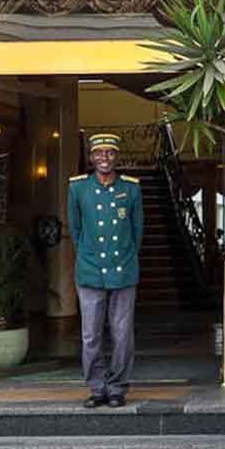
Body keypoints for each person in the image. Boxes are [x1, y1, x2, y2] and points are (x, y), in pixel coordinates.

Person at [66, 132, 143, 408]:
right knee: (91, 335)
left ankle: (117, 387)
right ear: (91, 157)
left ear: (116, 157)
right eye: (99, 153)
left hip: (123, 270)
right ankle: (97, 387)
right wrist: (88, 257)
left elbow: (137, 230)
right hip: (90, 271)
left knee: (122, 334)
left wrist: (125, 256)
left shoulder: (131, 189)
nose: (104, 158)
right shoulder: (78, 188)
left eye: (110, 153)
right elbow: (75, 229)